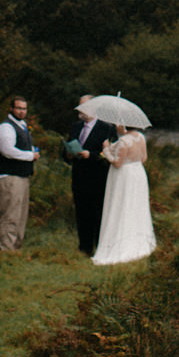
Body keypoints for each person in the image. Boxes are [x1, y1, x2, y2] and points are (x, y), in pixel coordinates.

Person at [91, 121, 156, 265]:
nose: (116, 126)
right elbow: (144, 158)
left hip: (124, 176)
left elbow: (117, 163)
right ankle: (139, 241)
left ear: (123, 126)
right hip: (138, 173)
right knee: (136, 207)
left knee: (121, 205)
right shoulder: (140, 137)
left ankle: (119, 242)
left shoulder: (124, 141)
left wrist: (106, 149)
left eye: (118, 124)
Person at [63, 95, 119, 256]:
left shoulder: (107, 128)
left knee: (98, 213)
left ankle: (100, 247)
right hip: (79, 176)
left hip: (98, 178)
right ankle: (84, 247)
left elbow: (110, 153)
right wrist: (68, 155)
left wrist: (91, 155)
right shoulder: (75, 126)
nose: (80, 110)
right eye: (79, 107)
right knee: (81, 212)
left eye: (84, 106)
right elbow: (67, 148)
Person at [0, 94, 40, 251]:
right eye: (18, 108)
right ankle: (6, 248)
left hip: (22, 176)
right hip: (9, 176)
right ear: (11, 108)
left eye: (24, 109)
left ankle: (16, 247)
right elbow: (7, 151)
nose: (21, 111)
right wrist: (30, 156)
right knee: (10, 214)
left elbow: (21, 146)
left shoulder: (22, 125)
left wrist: (32, 152)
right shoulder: (6, 127)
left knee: (21, 214)